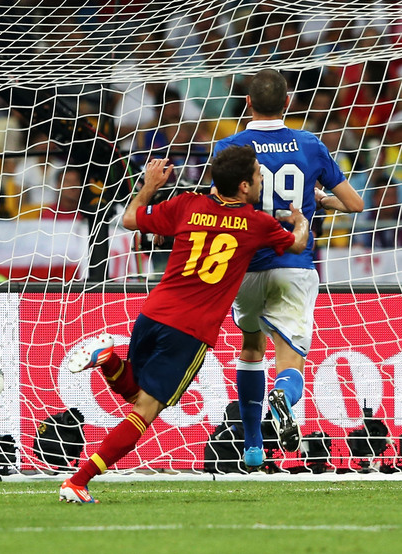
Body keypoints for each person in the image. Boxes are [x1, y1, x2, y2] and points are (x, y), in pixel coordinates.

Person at [59, 147, 308, 504]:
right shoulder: (257, 224)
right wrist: (300, 219)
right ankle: (79, 480)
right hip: (189, 330)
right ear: (242, 187)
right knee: (144, 411)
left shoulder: (186, 205)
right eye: (257, 175)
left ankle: (110, 360)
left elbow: (130, 219)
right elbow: (296, 243)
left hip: (154, 313)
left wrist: (148, 186)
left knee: (135, 393)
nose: (261, 179)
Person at [213, 69, 364, 469]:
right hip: (294, 264)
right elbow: (355, 205)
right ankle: (283, 396)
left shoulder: (231, 147)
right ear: (287, 102)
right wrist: (317, 202)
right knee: (288, 360)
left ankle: (253, 446)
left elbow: (216, 206)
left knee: (250, 347)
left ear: (247, 103)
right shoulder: (310, 144)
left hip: (245, 266)